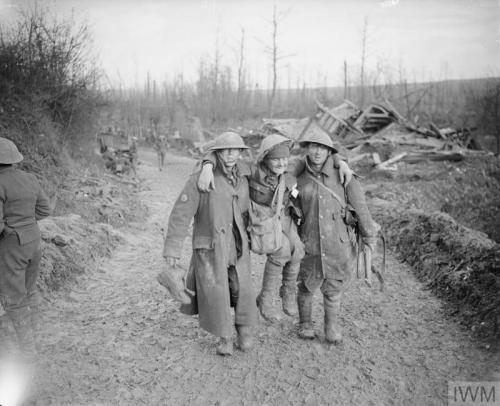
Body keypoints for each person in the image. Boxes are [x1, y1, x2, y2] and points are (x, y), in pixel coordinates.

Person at [197, 134, 353, 322]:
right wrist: (207, 165)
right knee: (283, 251)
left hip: (284, 218)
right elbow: (223, 158)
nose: (281, 163)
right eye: (276, 159)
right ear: (265, 158)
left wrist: (341, 161)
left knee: (298, 251)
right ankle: (266, 298)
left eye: (285, 158)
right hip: (262, 222)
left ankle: (287, 291)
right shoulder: (252, 170)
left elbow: (317, 157)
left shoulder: (292, 168)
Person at [162, 131, 258, 356]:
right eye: (226, 150)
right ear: (216, 152)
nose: (232, 155)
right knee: (217, 291)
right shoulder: (201, 177)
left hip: (237, 244)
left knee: (240, 288)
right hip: (211, 245)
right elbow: (180, 214)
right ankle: (224, 336)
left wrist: (340, 162)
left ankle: (243, 330)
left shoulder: (245, 175)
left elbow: (272, 167)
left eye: (236, 150)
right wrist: (172, 250)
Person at [293, 131, 377, 344]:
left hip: (336, 244)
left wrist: (369, 236)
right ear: (307, 149)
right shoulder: (298, 175)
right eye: (313, 146)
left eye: (322, 147)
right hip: (308, 242)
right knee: (305, 285)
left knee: (333, 287)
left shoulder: (344, 174)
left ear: (330, 151)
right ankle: (305, 323)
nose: (317, 151)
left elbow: (360, 206)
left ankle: (331, 327)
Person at [0, 137, 51, 360]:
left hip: (12, 247)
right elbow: (45, 210)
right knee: (30, 291)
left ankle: (28, 352)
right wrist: (27, 223)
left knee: (14, 298)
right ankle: (38, 337)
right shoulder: (30, 178)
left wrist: (11, 230)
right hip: (34, 243)